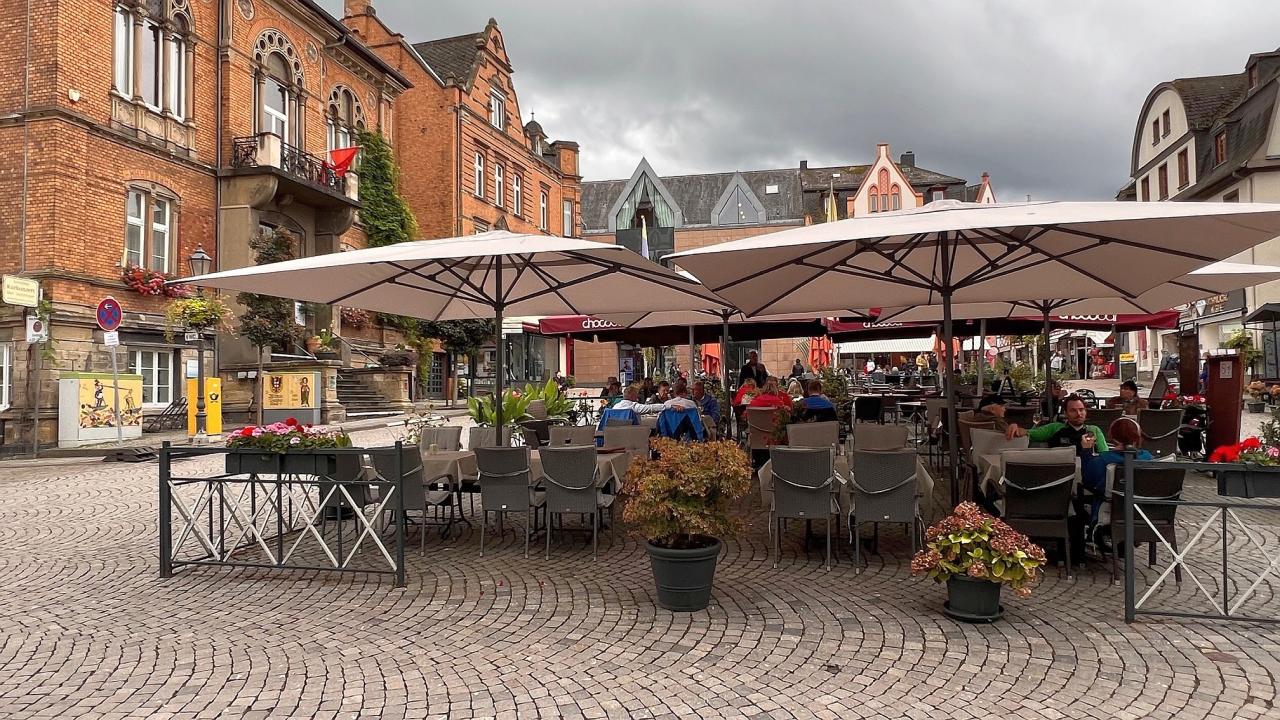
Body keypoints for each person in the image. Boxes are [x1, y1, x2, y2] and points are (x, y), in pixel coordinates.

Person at [1083, 417, 1153, 526]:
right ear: (1138, 436)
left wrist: (1086, 451)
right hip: (1143, 513)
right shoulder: (1147, 457)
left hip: (1109, 514)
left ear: (1112, 437)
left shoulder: (1103, 460)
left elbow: (1087, 482)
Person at [1011, 395, 1109, 459]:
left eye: (1081, 410)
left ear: (1086, 412)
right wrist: (1015, 427)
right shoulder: (1055, 428)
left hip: (1087, 473)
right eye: (1073, 410)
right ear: (1065, 413)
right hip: (1060, 474)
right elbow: (1028, 433)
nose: (1079, 414)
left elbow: (1105, 456)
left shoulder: (1093, 430)